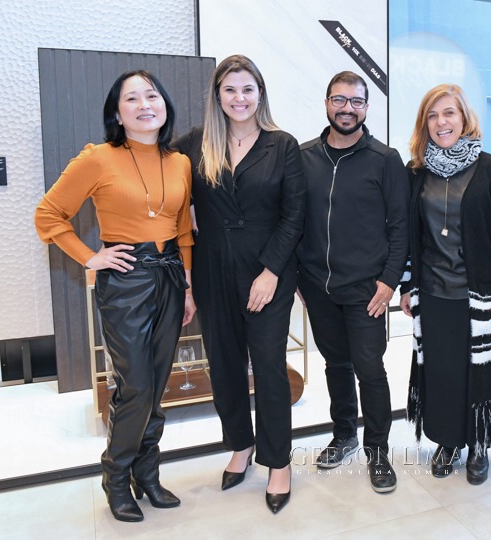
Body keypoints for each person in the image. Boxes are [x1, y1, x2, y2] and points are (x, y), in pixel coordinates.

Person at [35, 70, 194, 522]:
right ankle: (116, 475)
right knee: (136, 384)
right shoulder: (98, 158)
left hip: (170, 276)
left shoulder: (180, 162)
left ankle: (148, 474)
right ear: (117, 113)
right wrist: (90, 257)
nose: (145, 105)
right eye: (132, 98)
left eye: (152, 96)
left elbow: (183, 230)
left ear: (164, 105)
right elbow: (48, 215)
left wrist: (187, 287)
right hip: (126, 281)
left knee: (157, 384)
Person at [173, 55, 304, 514]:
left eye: (248, 89)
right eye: (230, 89)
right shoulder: (195, 143)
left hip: (267, 271)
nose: (239, 98)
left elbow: (294, 216)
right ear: (217, 95)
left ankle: (278, 461)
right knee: (225, 365)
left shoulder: (282, 145)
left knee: (268, 366)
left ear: (260, 94)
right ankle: (240, 445)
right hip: (212, 270)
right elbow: (157, 175)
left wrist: (270, 271)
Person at [399, 84, 491, 485]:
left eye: (449, 113)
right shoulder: (416, 172)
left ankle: (478, 441)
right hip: (433, 293)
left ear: (465, 118)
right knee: (442, 371)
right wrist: (406, 286)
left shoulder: (490, 169)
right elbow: (408, 235)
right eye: (432, 116)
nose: (441, 122)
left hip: (478, 293)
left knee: (477, 372)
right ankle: (448, 440)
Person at [297, 71, 408, 493]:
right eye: (339, 100)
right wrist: (297, 277)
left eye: (356, 101)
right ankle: (344, 435)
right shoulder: (304, 157)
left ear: (366, 107)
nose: (347, 109)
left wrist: (389, 281)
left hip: (367, 289)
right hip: (317, 286)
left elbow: (400, 227)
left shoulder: (385, 159)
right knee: (335, 364)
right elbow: (292, 220)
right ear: (327, 103)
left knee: (370, 368)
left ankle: (377, 450)